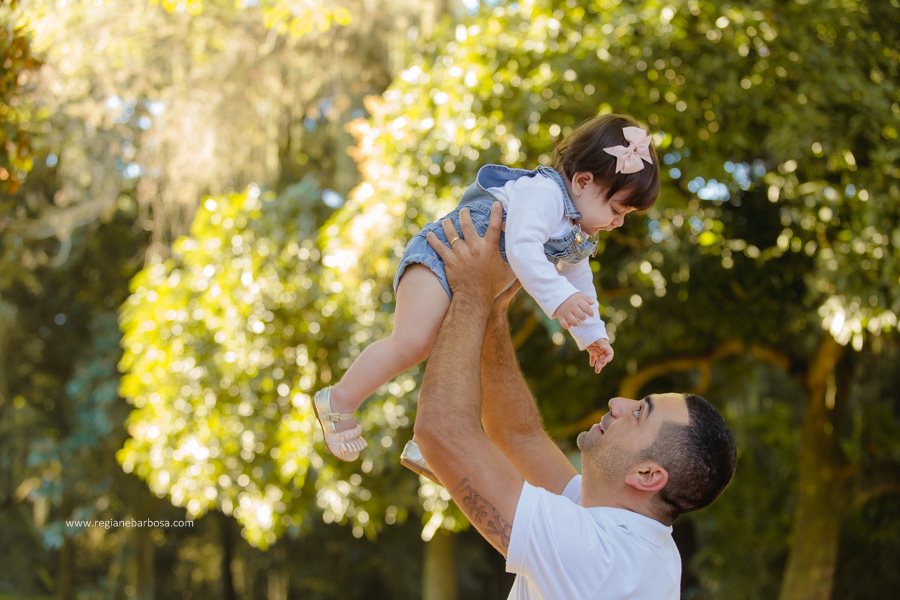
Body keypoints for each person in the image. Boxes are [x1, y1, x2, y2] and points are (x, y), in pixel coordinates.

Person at [413, 203, 737, 599]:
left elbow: (441, 431)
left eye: (638, 414)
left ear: (648, 476)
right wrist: (494, 310)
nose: (618, 403)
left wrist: (472, 293)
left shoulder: (605, 562)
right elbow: (519, 437)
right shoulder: (621, 528)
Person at [313, 114, 660, 461]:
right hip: (441, 257)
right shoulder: (545, 192)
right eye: (617, 209)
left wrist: (591, 333)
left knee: (467, 360)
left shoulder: (575, 231)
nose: (618, 221)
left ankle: (437, 439)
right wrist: (560, 299)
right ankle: (339, 400)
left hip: (473, 284)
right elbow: (522, 248)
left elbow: (579, 281)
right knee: (413, 341)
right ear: (583, 181)